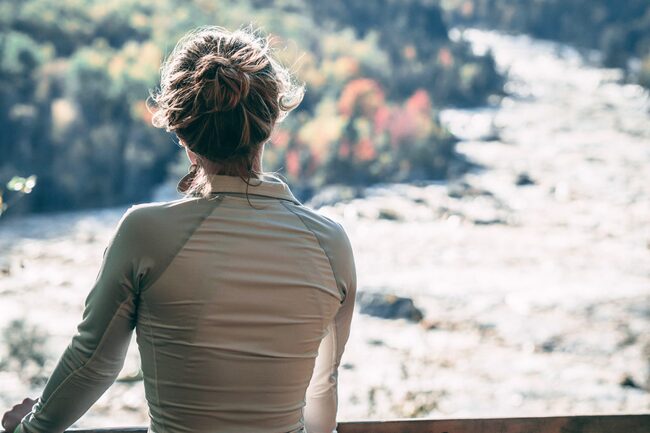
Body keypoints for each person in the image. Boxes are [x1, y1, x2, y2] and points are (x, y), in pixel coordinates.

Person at [1, 25, 357, 433]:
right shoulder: (332, 244)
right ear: (270, 124)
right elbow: (322, 389)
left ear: (182, 133)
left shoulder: (145, 232)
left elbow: (93, 362)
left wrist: (28, 430)